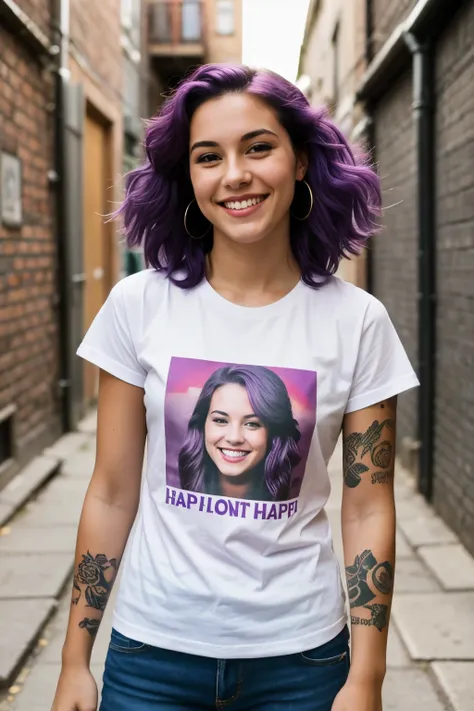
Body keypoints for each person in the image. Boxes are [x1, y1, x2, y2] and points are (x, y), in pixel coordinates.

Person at [51, 63, 419, 711]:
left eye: (258, 147)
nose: (235, 175)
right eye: (208, 156)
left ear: (300, 161)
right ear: (188, 178)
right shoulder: (138, 306)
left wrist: (367, 676)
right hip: (151, 656)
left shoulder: (358, 321)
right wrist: (74, 660)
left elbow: (368, 507)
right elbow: (111, 491)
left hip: (303, 659)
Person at [178, 364, 302, 501]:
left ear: (274, 433)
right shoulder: (182, 484)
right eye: (220, 420)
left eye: (252, 424)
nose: (234, 437)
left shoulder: (296, 491)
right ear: (202, 424)